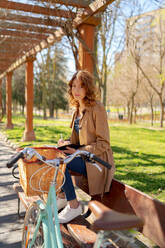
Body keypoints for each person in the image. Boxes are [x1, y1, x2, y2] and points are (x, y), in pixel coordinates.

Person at [57, 70, 115, 224]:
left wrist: (78, 151)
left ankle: (74, 205)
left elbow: (104, 143)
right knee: (55, 156)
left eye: (81, 86)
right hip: (83, 158)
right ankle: (63, 197)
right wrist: (66, 144)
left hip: (97, 162)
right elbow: (78, 140)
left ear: (87, 88)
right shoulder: (76, 110)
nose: (76, 90)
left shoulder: (97, 108)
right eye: (74, 86)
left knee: (62, 162)